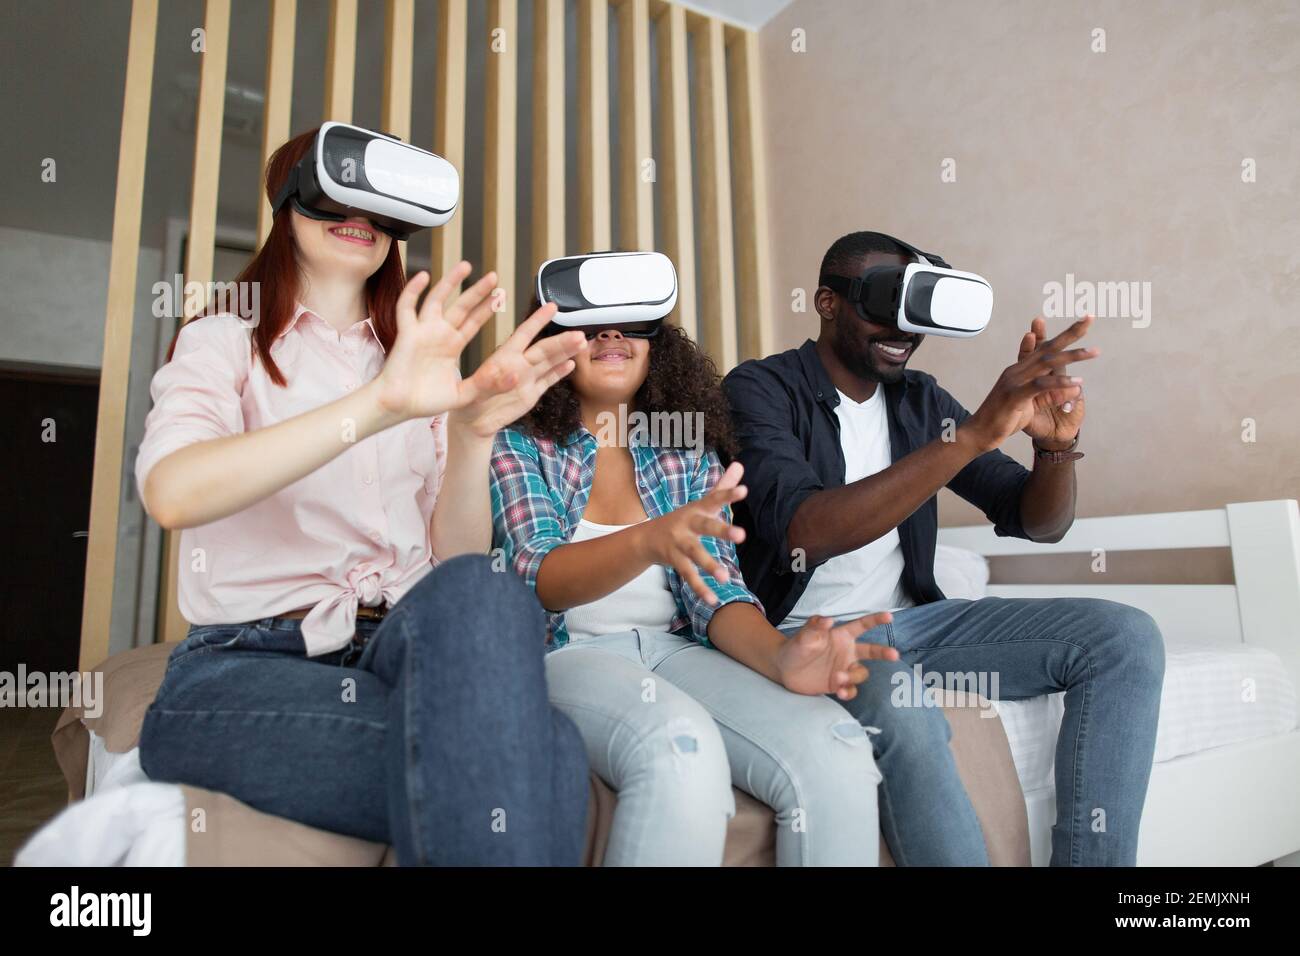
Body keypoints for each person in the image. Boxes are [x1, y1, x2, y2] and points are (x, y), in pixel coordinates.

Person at [135, 128, 591, 866]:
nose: (361, 216)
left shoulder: (420, 368)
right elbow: (173, 493)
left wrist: (472, 433)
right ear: (288, 203)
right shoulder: (223, 340)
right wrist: (380, 405)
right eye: (338, 193)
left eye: (383, 208)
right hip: (247, 663)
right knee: (551, 755)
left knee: (484, 585)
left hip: (396, 648)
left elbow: (458, 559)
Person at [723, 230, 1166, 866]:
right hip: (808, 637)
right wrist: (974, 436)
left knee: (1124, 637)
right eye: (883, 304)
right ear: (826, 302)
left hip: (918, 626)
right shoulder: (759, 390)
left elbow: (1035, 521)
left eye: (916, 309)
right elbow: (805, 531)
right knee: (902, 703)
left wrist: (1055, 446)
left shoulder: (921, 401)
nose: (901, 328)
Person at [491, 287, 898, 866]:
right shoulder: (518, 441)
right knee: (681, 748)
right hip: (564, 655)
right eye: (593, 325)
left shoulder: (683, 450)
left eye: (631, 324)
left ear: (656, 347)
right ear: (556, 347)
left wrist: (782, 657)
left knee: (837, 747)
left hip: (676, 649)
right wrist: (647, 540)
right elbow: (541, 578)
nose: (612, 336)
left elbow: (720, 592)